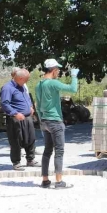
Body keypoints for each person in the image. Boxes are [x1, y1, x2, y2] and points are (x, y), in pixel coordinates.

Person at [35, 59, 78, 189]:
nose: (58, 72)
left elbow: (37, 105)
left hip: (44, 122)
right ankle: (59, 182)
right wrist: (74, 75)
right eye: (58, 70)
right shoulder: (53, 83)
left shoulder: (39, 85)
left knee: (47, 151)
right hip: (55, 121)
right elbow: (73, 89)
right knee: (59, 151)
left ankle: (45, 180)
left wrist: (41, 120)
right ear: (53, 70)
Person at [0, 68, 37, 170]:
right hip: (15, 119)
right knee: (16, 140)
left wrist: (30, 107)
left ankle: (30, 159)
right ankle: (16, 162)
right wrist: (15, 113)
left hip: (27, 117)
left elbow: (27, 98)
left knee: (30, 138)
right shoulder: (7, 88)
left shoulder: (22, 87)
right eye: (26, 79)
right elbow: (4, 103)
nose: (27, 81)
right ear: (20, 78)